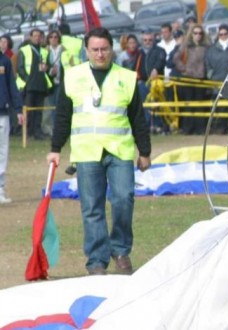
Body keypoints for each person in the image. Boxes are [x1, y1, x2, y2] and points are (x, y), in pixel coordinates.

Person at [46, 27, 151, 275]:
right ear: (86, 50)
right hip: (86, 152)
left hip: (119, 151)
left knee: (124, 199)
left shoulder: (126, 77)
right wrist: (55, 148)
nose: (100, 54)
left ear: (112, 49)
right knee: (92, 207)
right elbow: (62, 116)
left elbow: (138, 118)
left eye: (104, 49)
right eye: (95, 49)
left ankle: (121, 250)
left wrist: (144, 151)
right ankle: (96, 260)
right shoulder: (72, 76)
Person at [173, 24, 209, 135]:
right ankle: (188, 128)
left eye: (200, 33)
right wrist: (184, 68)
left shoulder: (206, 47)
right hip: (188, 78)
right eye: (195, 33)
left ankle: (200, 128)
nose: (198, 35)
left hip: (201, 79)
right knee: (188, 104)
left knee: (200, 104)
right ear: (191, 34)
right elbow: (176, 58)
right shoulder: (186, 46)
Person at [17, 28, 51, 140]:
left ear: (41, 38)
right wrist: (27, 80)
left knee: (38, 111)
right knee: (28, 110)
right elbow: (20, 68)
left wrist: (47, 68)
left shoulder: (45, 51)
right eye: (35, 35)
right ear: (30, 37)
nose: (37, 38)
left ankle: (37, 132)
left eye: (39, 36)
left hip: (40, 84)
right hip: (29, 86)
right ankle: (27, 132)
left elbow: (48, 67)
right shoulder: (24, 50)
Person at [0, 49, 24, 204]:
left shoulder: (5, 61)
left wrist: (18, 109)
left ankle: (0, 189)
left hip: (2, 113)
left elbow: (11, 85)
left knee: (2, 152)